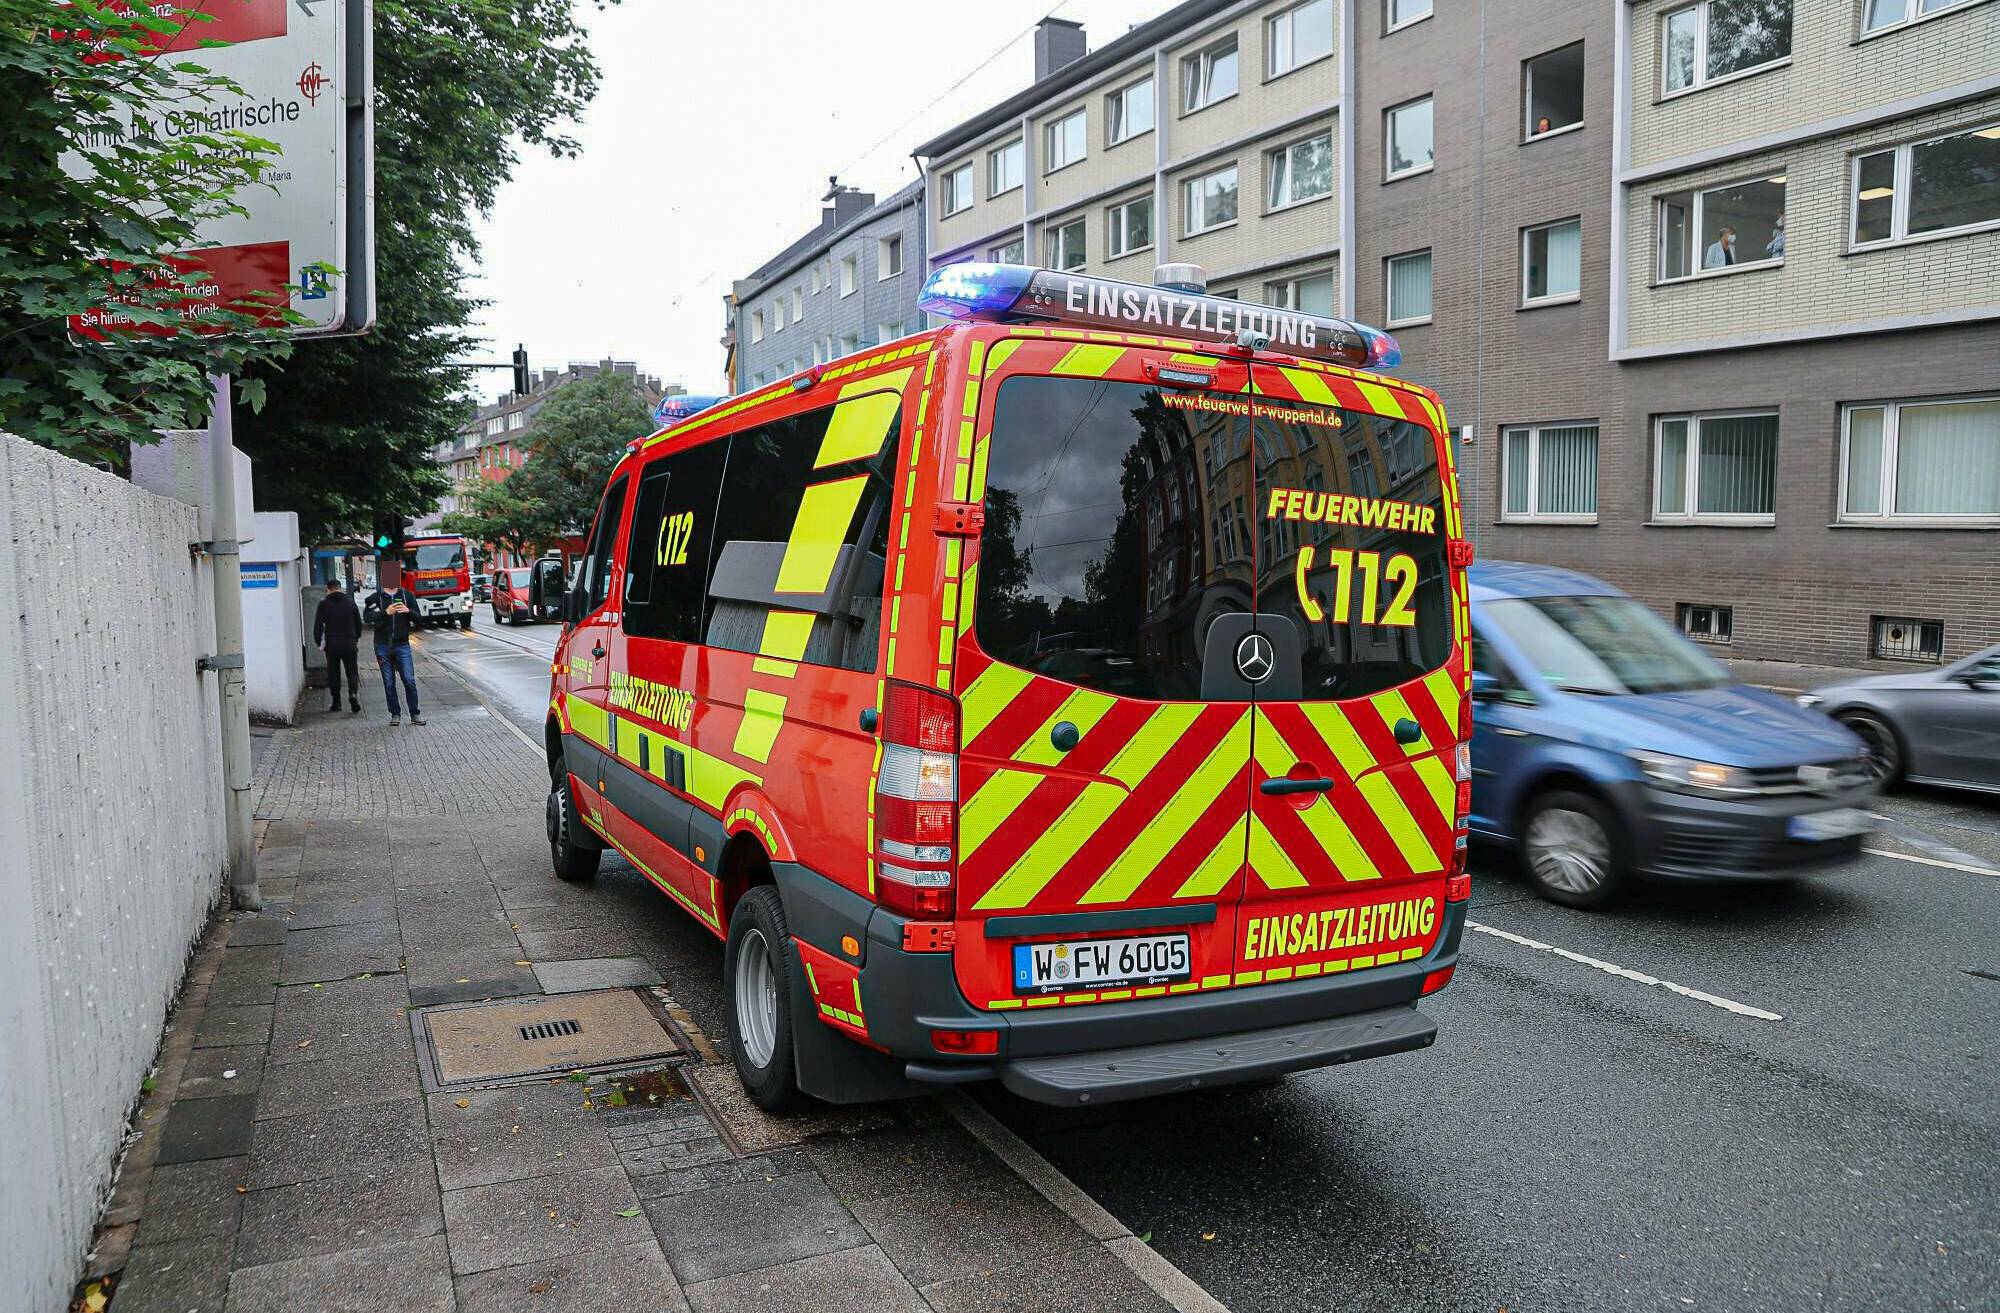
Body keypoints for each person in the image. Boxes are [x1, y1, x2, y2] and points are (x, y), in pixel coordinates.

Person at [364, 578, 425, 726]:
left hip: (402, 644)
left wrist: (408, 611)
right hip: (382, 645)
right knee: (389, 682)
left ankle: (414, 714)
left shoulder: (407, 595)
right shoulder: (376, 597)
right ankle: (395, 713)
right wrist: (386, 612)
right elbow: (367, 618)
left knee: (409, 680)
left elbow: (419, 619)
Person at [312, 578, 363, 714]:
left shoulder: (324, 604)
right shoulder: (350, 603)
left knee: (333, 673)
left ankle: (336, 702)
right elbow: (358, 624)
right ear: (340, 588)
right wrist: (356, 638)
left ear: (328, 590)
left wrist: (319, 642)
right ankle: (353, 694)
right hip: (349, 643)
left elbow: (317, 626)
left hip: (332, 644)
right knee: (352, 671)